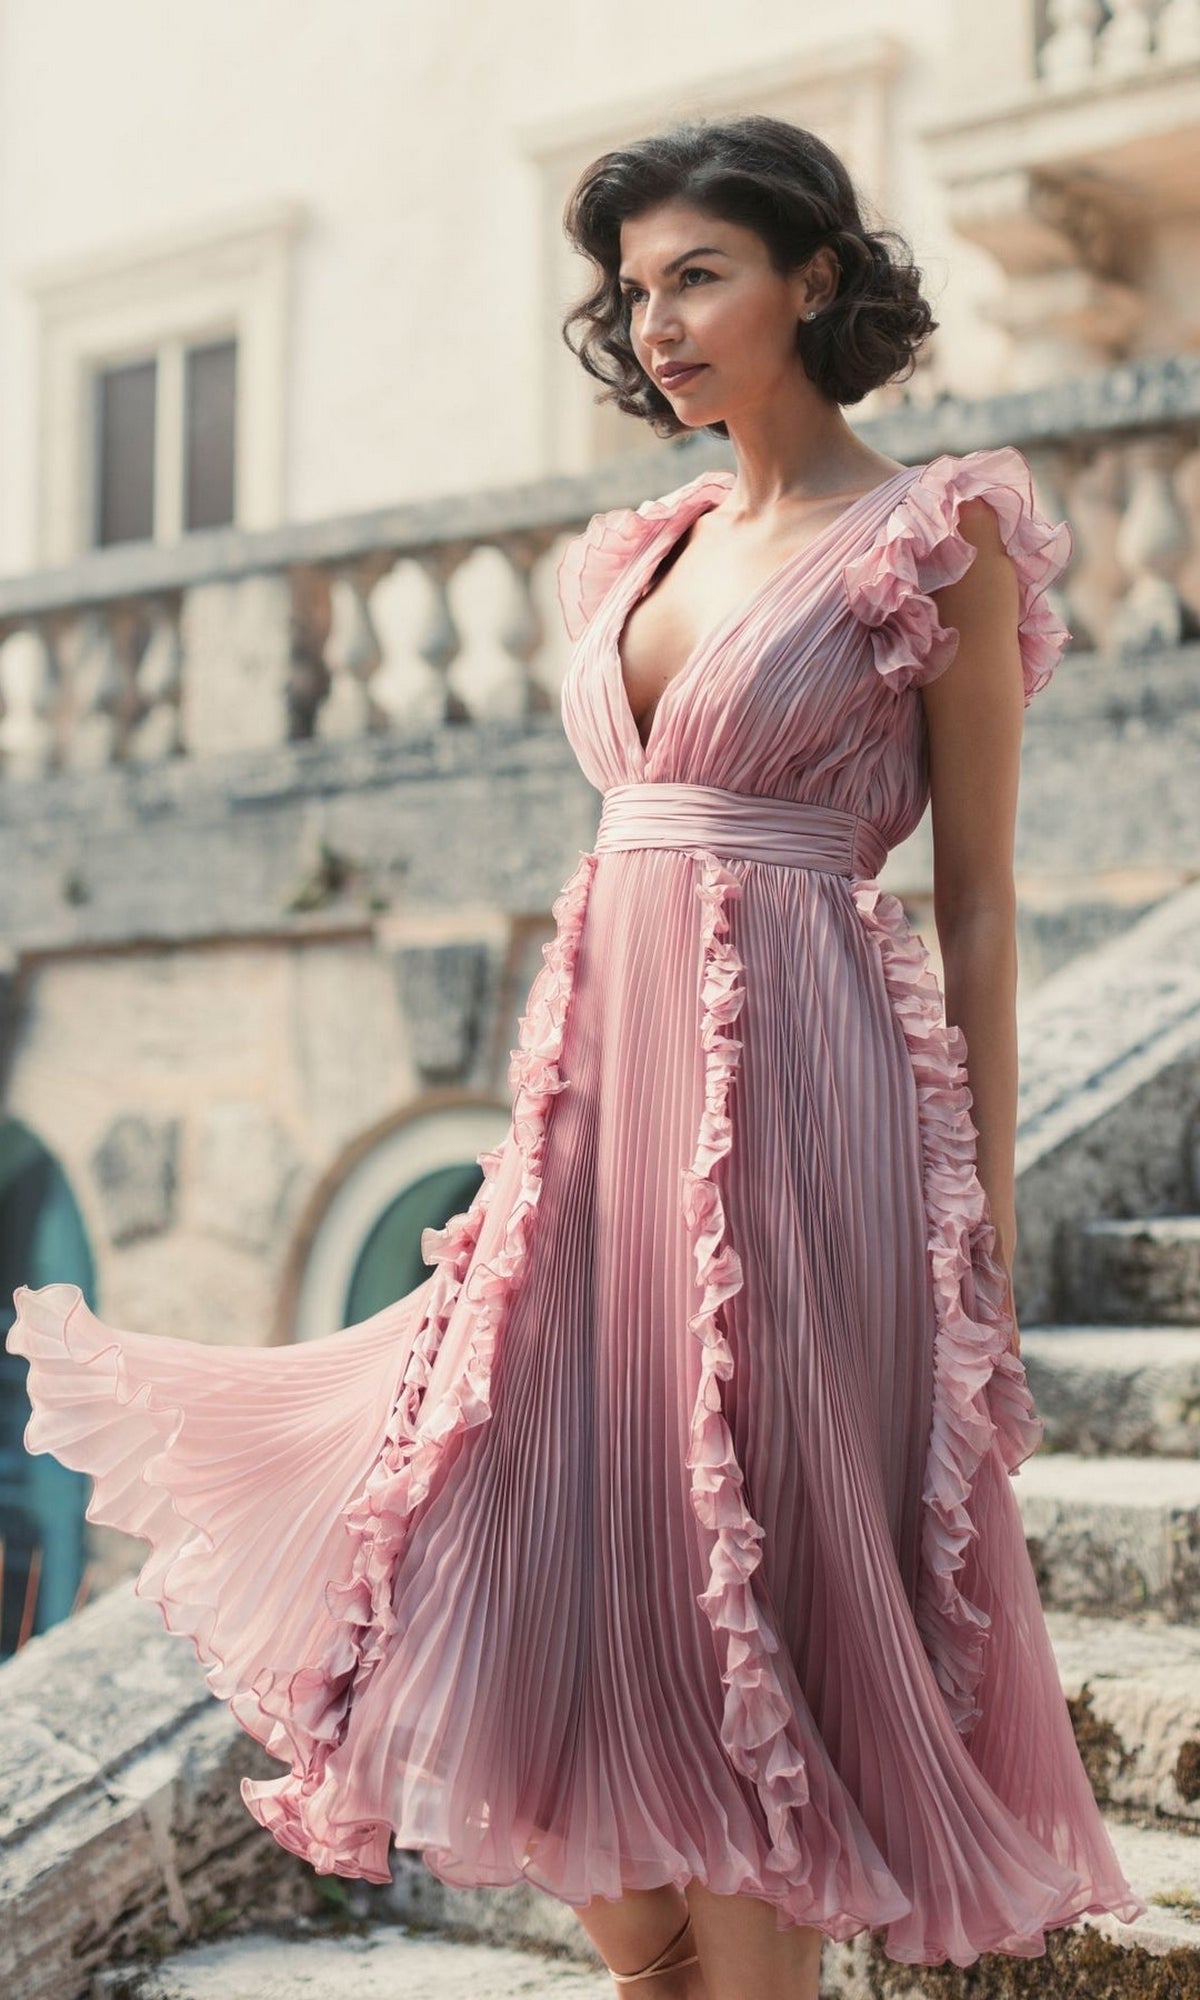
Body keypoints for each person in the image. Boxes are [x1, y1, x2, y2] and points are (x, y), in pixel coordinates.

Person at [7, 113, 1146, 2000]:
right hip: (590, 1112)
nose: (662, 322)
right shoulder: (650, 542)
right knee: (554, 1618)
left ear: (818, 278)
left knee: (745, 1596)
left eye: (701, 273)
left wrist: (983, 1224)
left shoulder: (931, 540)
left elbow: (985, 906)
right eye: (637, 291)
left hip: (802, 1111)